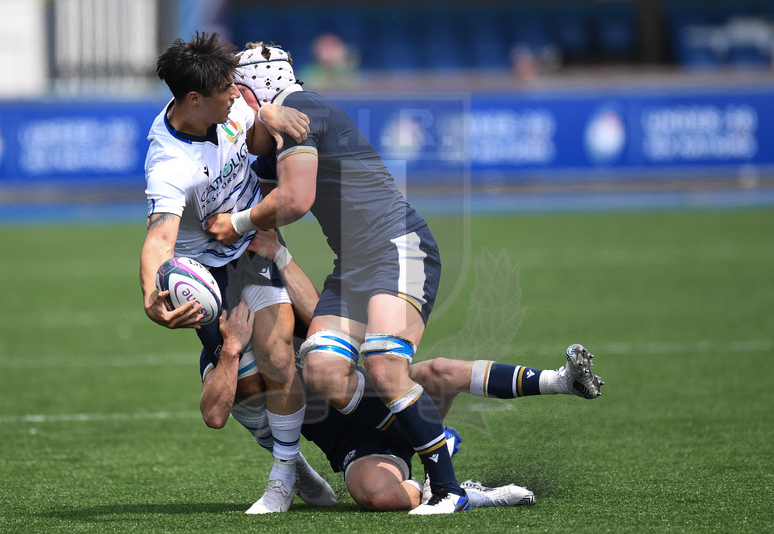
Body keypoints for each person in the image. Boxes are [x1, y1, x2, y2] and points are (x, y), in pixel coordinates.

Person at [204, 42, 469, 514]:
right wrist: (229, 347)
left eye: (237, 100)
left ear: (257, 92)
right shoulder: (225, 318)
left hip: (391, 248)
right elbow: (214, 413)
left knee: (386, 364)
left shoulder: (300, 110)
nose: (232, 121)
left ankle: (449, 485)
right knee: (325, 370)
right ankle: (438, 463)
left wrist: (239, 224)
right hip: (354, 267)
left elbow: (296, 201)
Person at [204, 229, 603, 512]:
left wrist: (280, 256)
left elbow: (316, 313)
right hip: (350, 446)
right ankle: (456, 488)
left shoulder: (278, 312)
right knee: (379, 498)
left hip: (378, 401)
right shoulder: (220, 349)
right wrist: (232, 349)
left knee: (439, 372)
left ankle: (561, 380)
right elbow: (214, 414)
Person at [139, 32, 328, 514]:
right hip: (208, 272)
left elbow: (256, 110)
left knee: (285, 355)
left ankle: (283, 479)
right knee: (243, 390)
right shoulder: (168, 163)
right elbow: (160, 239)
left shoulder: (231, 106)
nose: (237, 94)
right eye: (228, 89)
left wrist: (268, 113)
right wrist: (150, 294)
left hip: (252, 248)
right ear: (194, 99)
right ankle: (294, 462)